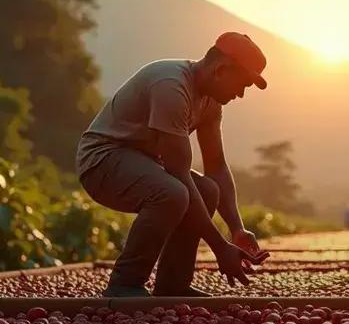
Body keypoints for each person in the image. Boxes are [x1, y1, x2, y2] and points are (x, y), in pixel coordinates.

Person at [76, 32, 270, 297]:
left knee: (208, 190)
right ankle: (124, 283)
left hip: (143, 162)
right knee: (172, 193)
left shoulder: (211, 101)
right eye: (243, 84)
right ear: (221, 69)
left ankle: (172, 285)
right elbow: (178, 173)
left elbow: (217, 166)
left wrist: (236, 228)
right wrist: (220, 247)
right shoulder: (171, 86)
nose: (241, 94)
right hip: (101, 161)